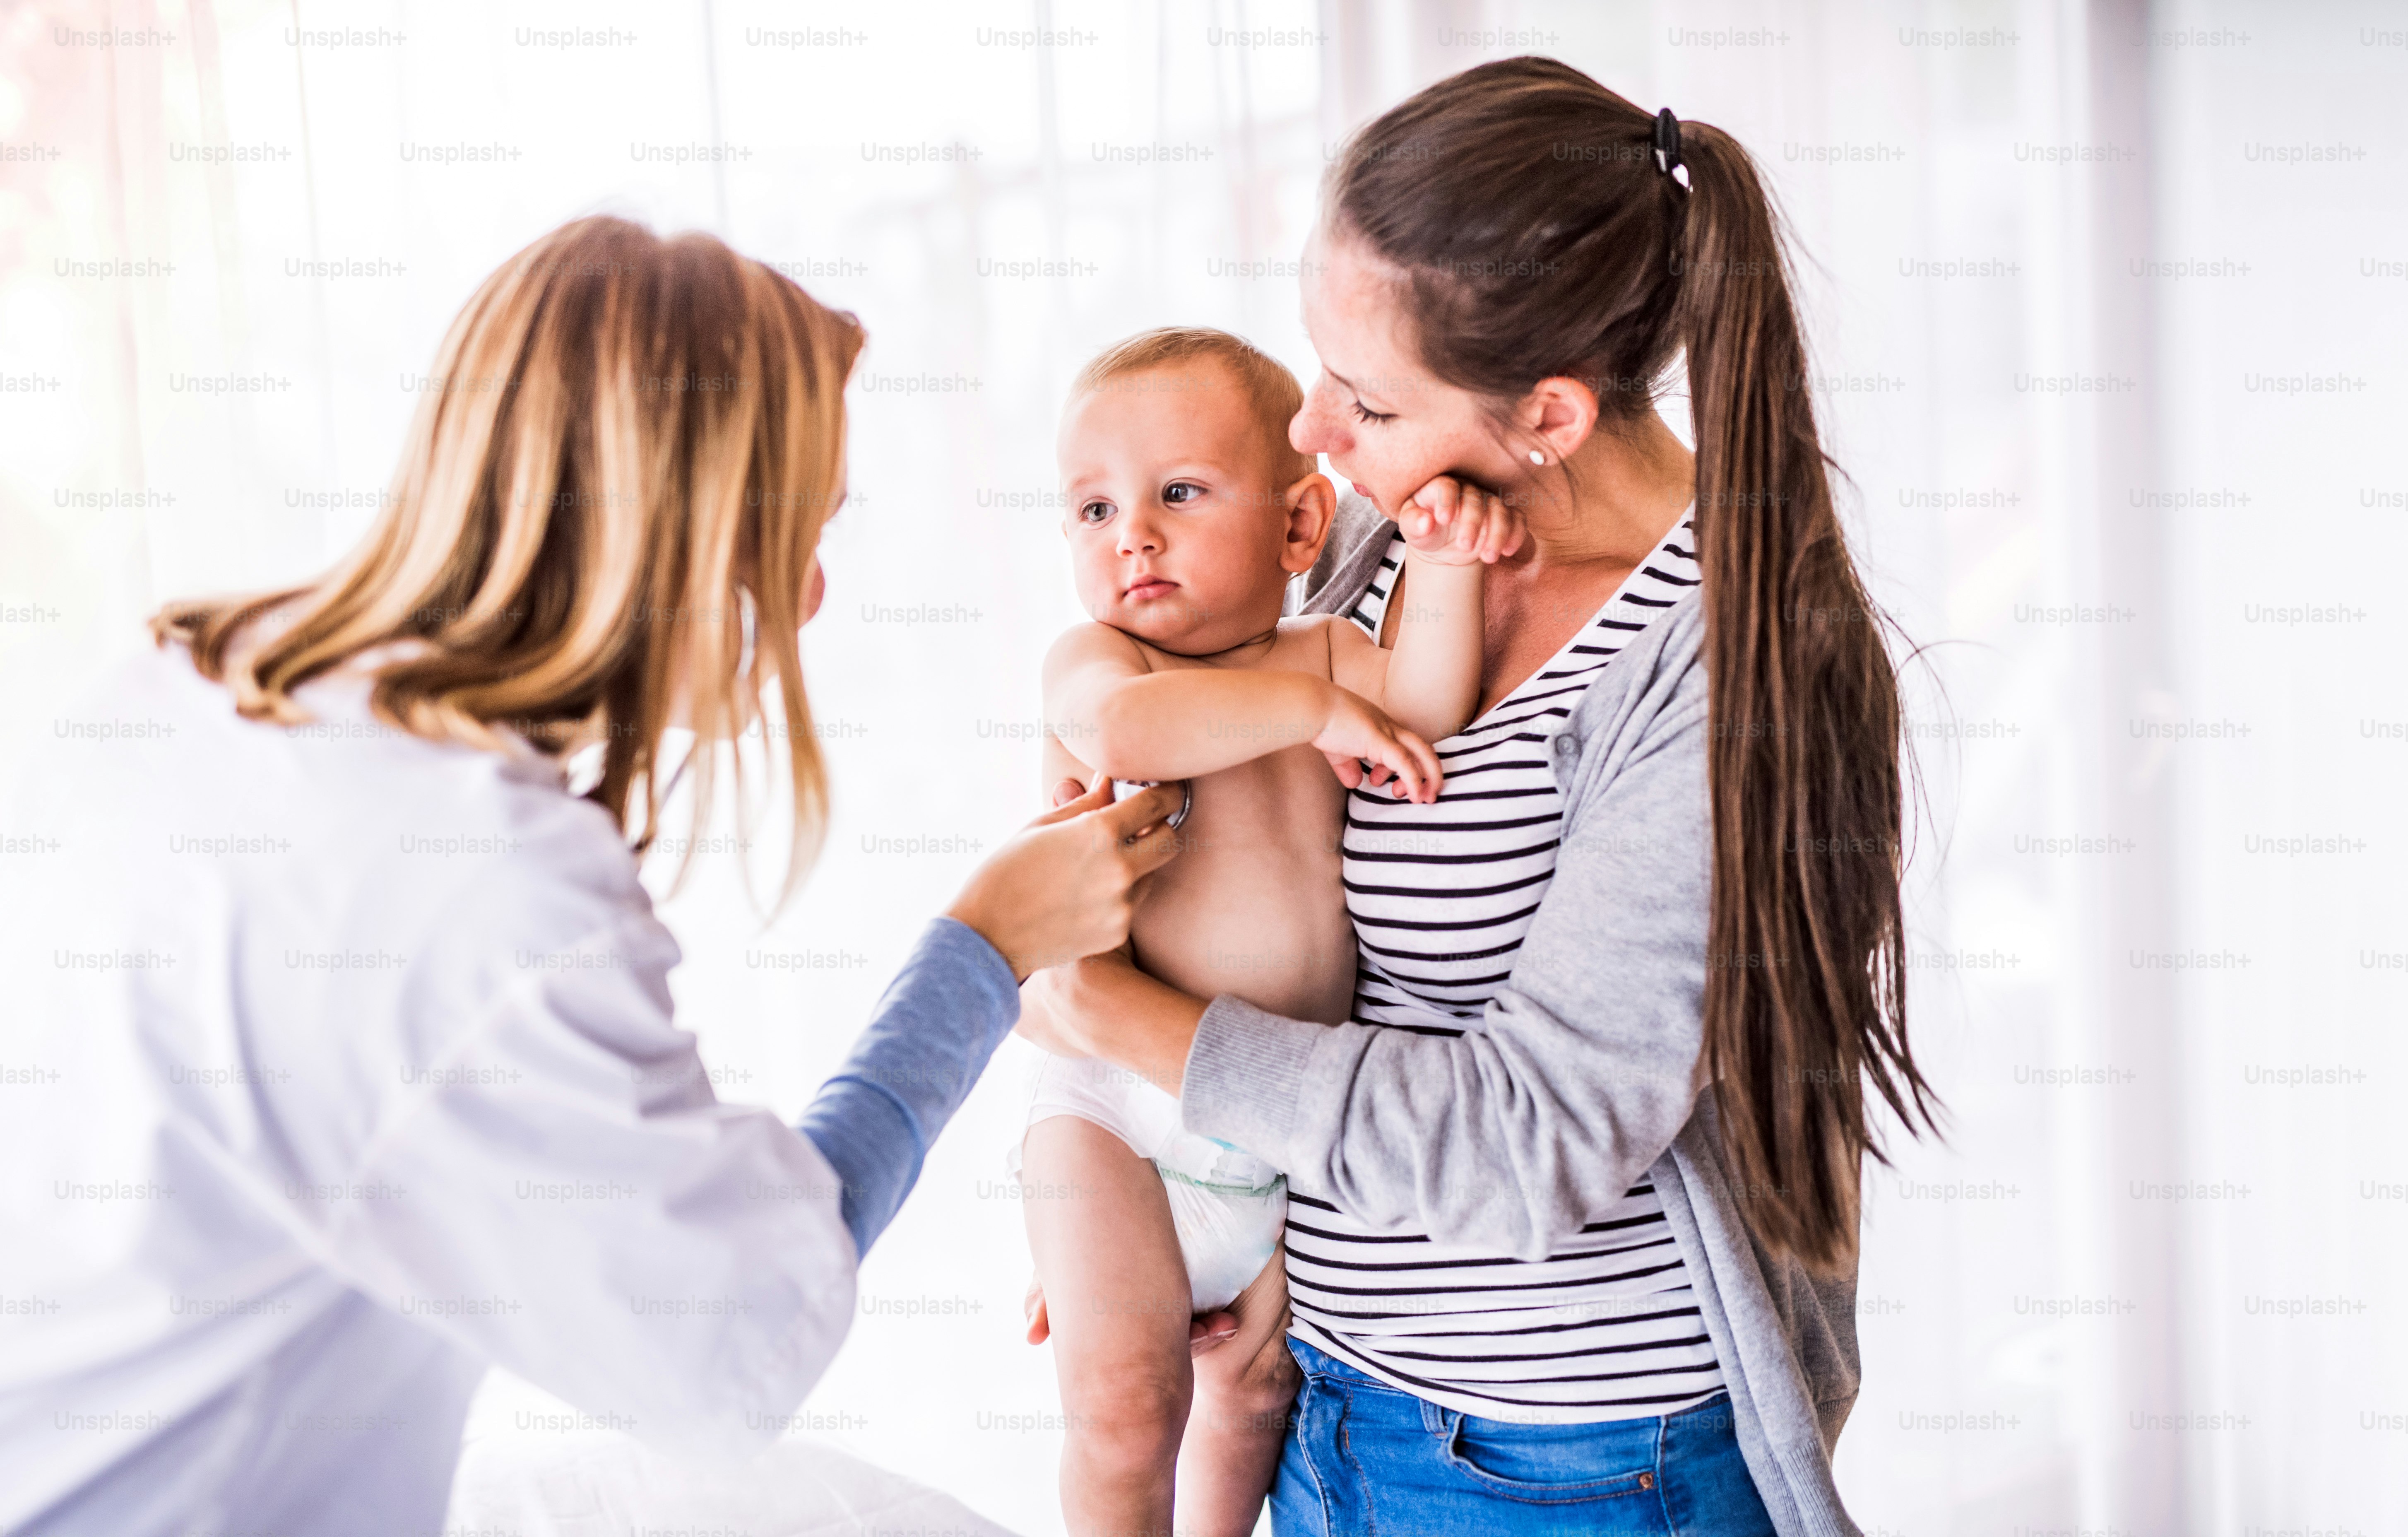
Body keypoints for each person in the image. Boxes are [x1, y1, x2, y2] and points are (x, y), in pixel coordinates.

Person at [0, 216, 1183, 1537]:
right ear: (676, 532)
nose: (811, 598)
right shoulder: (470, 884)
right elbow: (730, 1342)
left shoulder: (204, 682)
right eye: (798, 529)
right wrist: (978, 956)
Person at [1016, 58, 1935, 1534]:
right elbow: (1262, 886)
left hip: (1565, 1464)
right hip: (1318, 1392)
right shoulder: (1396, 536)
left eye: (1362, 397)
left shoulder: (1731, 673)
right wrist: (1159, 1216)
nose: (1311, 432)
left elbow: (1530, 1145)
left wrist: (1123, 1025)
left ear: (1551, 415)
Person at [1014, 325, 1521, 1535]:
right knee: (1124, 1400)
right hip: (1112, 1113)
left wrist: (1442, 569)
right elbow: (1128, 735)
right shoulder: (1097, 660)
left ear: (1302, 528)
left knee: (1250, 1397)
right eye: (1091, 509)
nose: (1129, 533)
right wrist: (1311, 710)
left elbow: (1426, 705)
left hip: (1281, 1124)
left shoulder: (1333, 651)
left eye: (1178, 494)